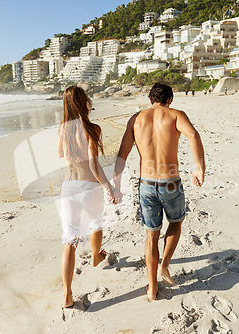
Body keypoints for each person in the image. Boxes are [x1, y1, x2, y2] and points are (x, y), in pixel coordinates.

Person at [113, 83, 205, 301]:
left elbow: (122, 154)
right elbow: (193, 135)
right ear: (170, 99)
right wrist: (199, 168)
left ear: (149, 98)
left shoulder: (136, 119)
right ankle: (164, 265)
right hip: (170, 182)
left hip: (146, 184)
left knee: (151, 235)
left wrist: (116, 185)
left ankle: (152, 288)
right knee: (175, 223)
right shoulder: (175, 115)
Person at [57, 86, 116, 308]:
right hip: (89, 187)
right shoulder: (93, 128)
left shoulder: (63, 129)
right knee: (96, 223)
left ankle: (67, 295)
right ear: (84, 102)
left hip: (69, 188)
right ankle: (95, 257)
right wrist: (109, 188)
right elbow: (94, 164)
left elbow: (60, 154)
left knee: (70, 241)